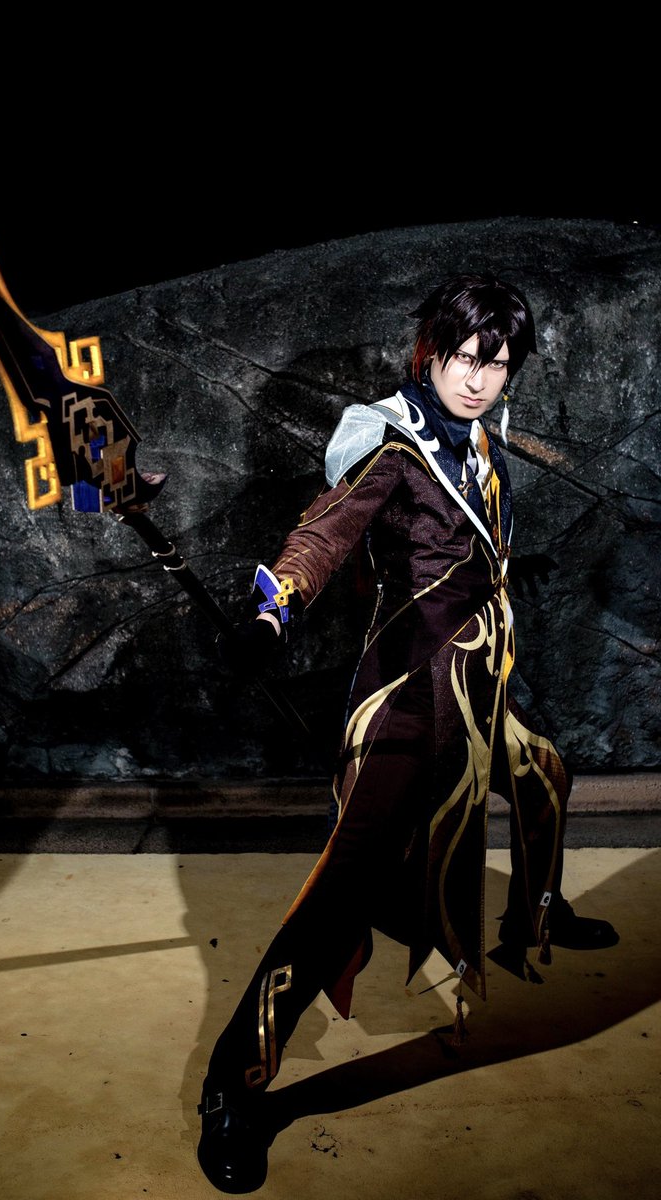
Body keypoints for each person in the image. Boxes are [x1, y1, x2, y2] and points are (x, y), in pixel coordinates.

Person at [197, 273, 618, 1193]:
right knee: (341, 893)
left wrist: (500, 574)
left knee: (545, 772)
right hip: (412, 699)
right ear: (431, 352)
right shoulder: (392, 445)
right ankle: (234, 1083)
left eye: (494, 365)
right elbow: (322, 535)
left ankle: (538, 912)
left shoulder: (477, 439)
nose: (476, 379)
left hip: (477, 691)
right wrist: (272, 612)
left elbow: (466, 546)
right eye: (462, 358)